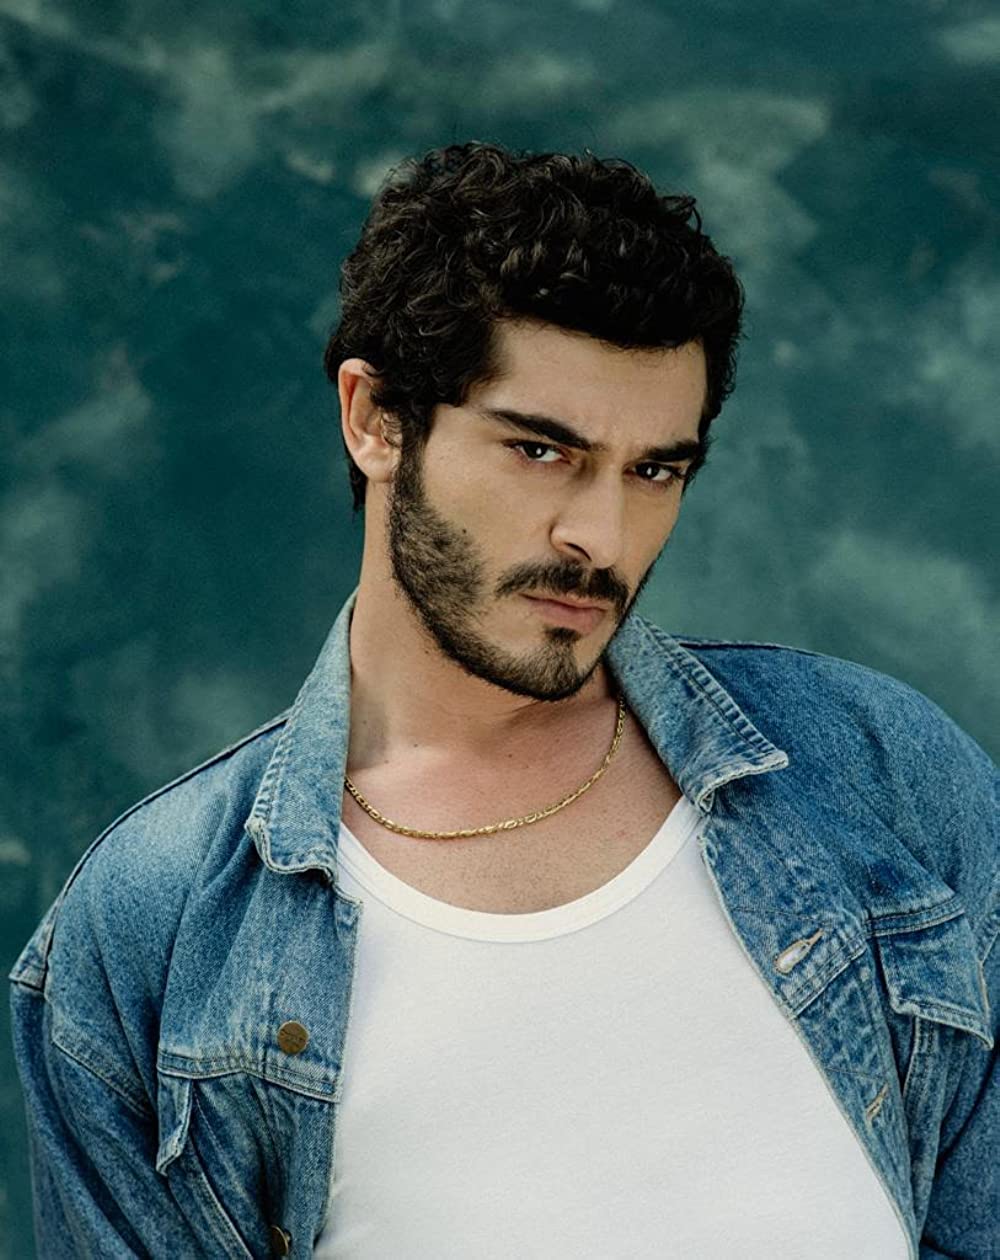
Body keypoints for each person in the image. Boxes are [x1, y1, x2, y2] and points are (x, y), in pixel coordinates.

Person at [8, 141, 996, 1260]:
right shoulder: (152, 926)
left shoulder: (880, 773)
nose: (601, 537)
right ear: (376, 419)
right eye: (540, 450)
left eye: (654, 470)